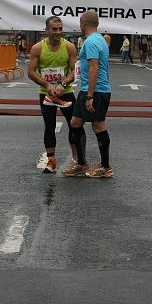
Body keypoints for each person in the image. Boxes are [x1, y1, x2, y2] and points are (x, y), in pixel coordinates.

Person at [64, 10, 113, 178]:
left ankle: (105, 167)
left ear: (83, 22)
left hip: (96, 90)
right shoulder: (99, 39)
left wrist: (90, 96)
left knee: (98, 125)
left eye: (80, 22)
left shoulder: (92, 42)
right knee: (76, 122)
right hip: (89, 89)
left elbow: (94, 68)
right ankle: (82, 163)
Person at [27, 16, 78, 173]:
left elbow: (74, 72)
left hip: (66, 92)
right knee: (49, 126)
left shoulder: (69, 47)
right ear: (47, 30)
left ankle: (76, 160)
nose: (58, 32)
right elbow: (31, 72)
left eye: (60, 28)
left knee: (75, 124)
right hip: (46, 93)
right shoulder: (37, 48)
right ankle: (51, 161)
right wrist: (47, 84)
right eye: (54, 29)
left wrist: (63, 84)